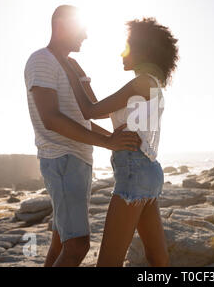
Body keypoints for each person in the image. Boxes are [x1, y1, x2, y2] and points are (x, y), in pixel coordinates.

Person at [24, 5, 141, 267]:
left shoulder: (69, 66)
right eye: (82, 29)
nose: (85, 36)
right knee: (77, 246)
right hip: (62, 159)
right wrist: (108, 142)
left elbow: (85, 117)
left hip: (77, 159)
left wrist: (114, 139)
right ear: (62, 25)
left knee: (61, 241)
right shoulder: (41, 59)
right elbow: (51, 119)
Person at [56, 17, 179, 266]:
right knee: (158, 259)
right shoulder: (149, 84)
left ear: (143, 50)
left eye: (127, 47)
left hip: (134, 172)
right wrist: (83, 81)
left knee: (108, 263)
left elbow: (89, 111)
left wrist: (73, 72)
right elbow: (99, 111)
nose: (122, 53)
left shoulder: (141, 82)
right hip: (149, 171)